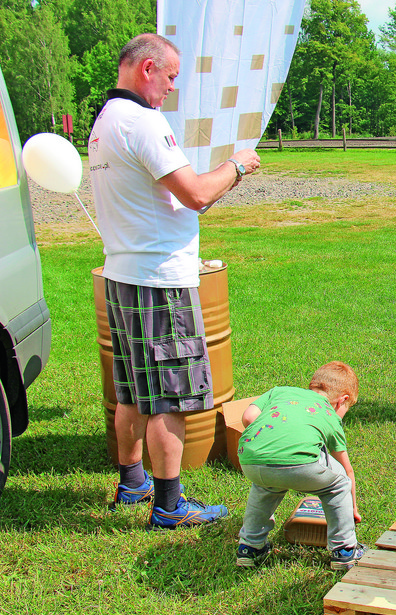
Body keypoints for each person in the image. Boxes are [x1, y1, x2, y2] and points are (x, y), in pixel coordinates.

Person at [92, 33, 261, 527]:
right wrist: (237, 165)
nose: (170, 89)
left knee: (132, 391)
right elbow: (193, 193)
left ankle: (133, 484)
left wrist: (212, 188)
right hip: (159, 280)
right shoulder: (143, 121)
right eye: (168, 77)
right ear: (146, 69)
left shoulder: (104, 122)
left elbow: (180, 199)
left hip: (123, 275)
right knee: (169, 394)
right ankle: (168, 504)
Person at [235, 362, 364, 569]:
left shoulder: (280, 392)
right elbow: (346, 469)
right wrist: (353, 508)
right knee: (339, 483)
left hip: (252, 461)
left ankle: (250, 548)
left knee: (266, 486)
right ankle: (344, 550)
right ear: (343, 400)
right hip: (302, 464)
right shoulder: (329, 414)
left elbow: (248, 417)